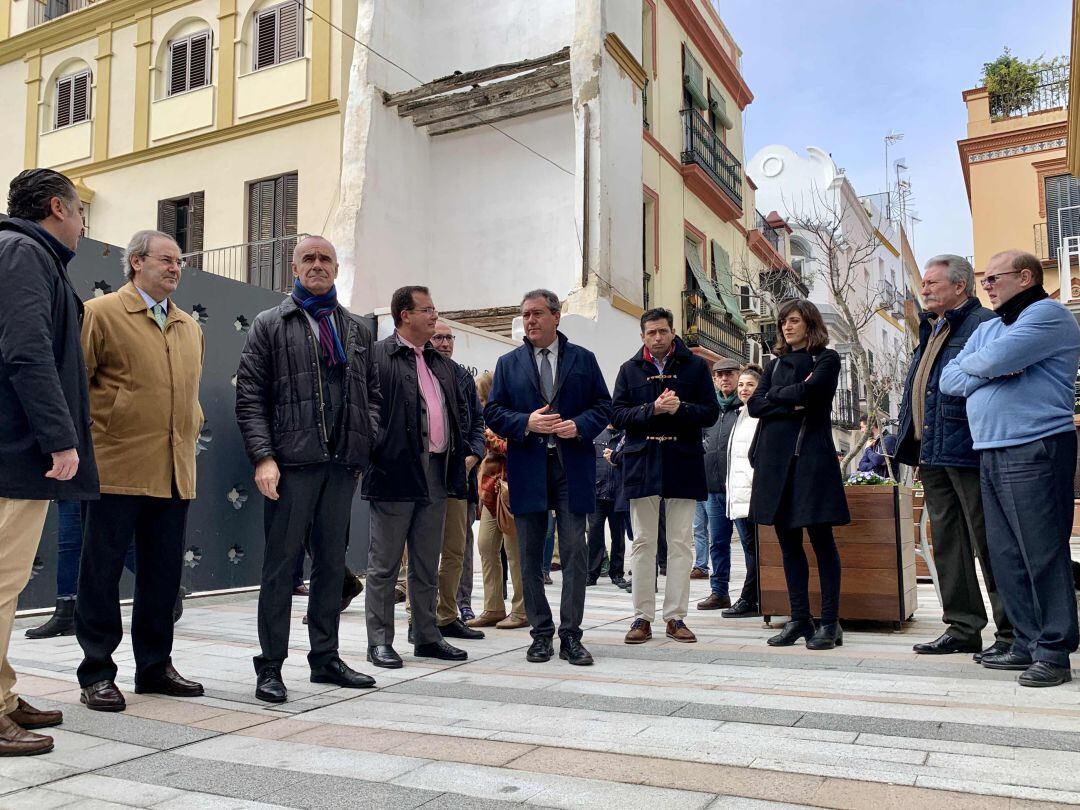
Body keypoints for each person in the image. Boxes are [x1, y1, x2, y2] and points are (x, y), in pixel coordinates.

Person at [236, 235, 379, 703]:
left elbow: (372, 396)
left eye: (325, 259)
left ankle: (326, 658)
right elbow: (251, 396)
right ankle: (271, 666)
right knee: (280, 568)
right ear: (294, 269)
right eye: (308, 259)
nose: (317, 265)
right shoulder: (270, 324)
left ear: (336, 269)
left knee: (332, 565)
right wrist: (263, 456)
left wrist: (362, 445)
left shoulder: (357, 329)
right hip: (291, 465)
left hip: (341, 468)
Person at [75, 230, 205, 711]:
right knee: (101, 573)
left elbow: (187, 396)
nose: (174, 268)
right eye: (165, 260)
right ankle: (96, 672)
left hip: (174, 470)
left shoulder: (190, 326)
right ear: (135, 262)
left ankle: (154, 666)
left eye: (179, 261)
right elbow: (78, 386)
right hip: (115, 467)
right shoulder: (102, 312)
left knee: (162, 576)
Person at [941, 250, 1080, 687]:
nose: (987, 286)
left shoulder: (1048, 315)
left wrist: (988, 366)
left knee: (1041, 551)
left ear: (1024, 276)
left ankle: (1054, 651)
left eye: (992, 278)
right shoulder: (989, 329)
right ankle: (1024, 641)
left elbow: (980, 365)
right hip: (991, 449)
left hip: (1034, 445)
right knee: (1005, 555)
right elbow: (950, 379)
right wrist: (995, 367)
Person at [0, 169, 96, 754]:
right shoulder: (21, 253)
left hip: (16, 450)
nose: (85, 223)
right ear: (57, 208)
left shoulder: (25, 254)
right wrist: (60, 438)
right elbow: (26, 350)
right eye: (81, 209)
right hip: (13, 451)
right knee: (0, 583)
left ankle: (4, 694)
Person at [894, 255, 1012, 659]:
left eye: (931, 283)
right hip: (933, 449)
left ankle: (1012, 631)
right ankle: (962, 627)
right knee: (947, 542)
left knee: (989, 540)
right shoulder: (933, 328)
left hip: (969, 447)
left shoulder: (983, 325)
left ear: (960, 286)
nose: (923, 289)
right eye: (923, 283)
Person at [484, 289, 610, 665]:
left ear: (556, 316)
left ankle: (571, 635)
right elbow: (493, 412)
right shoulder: (509, 363)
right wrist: (527, 422)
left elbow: (603, 406)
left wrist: (579, 426)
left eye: (537, 314)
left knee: (574, 551)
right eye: (525, 315)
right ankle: (540, 634)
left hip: (572, 467)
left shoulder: (583, 360)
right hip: (528, 469)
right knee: (530, 555)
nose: (530, 321)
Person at [363, 286, 469, 669]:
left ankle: (427, 635)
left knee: (427, 562)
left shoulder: (442, 365)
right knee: (385, 564)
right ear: (404, 315)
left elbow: (458, 414)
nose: (434, 316)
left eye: (434, 309)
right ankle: (379, 642)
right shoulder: (379, 356)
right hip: (394, 474)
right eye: (427, 310)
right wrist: (378, 451)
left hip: (437, 474)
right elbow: (364, 413)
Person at [612, 307, 718, 645]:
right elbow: (616, 414)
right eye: (650, 332)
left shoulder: (696, 367)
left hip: (682, 461)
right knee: (642, 542)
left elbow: (711, 412)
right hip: (642, 463)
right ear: (642, 335)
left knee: (681, 543)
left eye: (662, 331)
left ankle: (675, 617)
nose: (657, 338)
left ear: (673, 332)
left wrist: (681, 409)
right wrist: (651, 410)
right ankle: (641, 617)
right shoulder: (629, 370)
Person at [748, 299, 850, 651]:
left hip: (811, 461)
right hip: (775, 464)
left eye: (793, 321)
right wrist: (787, 400)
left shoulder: (827, 359)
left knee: (822, 542)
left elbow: (815, 394)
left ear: (809, 323)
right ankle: (799, 618)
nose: (786, 327)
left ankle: (831, 622)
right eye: (782, 322)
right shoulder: (774, 365)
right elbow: (755, 405)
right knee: (788, 545)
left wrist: (780, 399)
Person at [429, 321, 486, 640]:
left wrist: (474, 456)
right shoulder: (419, 370)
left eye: (449, 337)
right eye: (439, 336)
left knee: (458, 548)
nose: (445, 342)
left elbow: (478, 423)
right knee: (422, 549)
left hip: (459, 478)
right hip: (425, 477)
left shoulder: (463, 377)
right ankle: (421, 615)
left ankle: (454, 610)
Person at [469, 372, 529, 629]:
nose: (481, 406)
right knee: (485, 546)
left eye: (483, 399)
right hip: (490, 492)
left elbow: (512, 446)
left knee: (514, 552)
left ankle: (522, 609)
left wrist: (489, 437)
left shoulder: (511, 414)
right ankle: (493, 606)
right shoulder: (485, 422)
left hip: (512, 491)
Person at [696, 357, 743, 611]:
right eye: (720, 375)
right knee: (718, 543)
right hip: (713, 490)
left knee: (748, 544)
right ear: (714, 379)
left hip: (740, 490)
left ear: (738, 375)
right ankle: (719, 592)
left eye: (729, 374)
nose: (725, 378)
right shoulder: (709, 409)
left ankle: (752, 594)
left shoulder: (746, 408)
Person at [723, 365, 762, 618]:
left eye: (750, 385)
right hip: (737, 496)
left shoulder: (760, 415)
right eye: (741, 385)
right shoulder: (741, 415)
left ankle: (750, 598)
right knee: (750, 550)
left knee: (755, 550)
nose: (744, 389)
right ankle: (753, 597)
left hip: (752, 496)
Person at [586, 426, 627, 588]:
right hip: (596, 493)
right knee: (595, 534)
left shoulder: (626, 435)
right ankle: (591, 573)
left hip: (618, 494)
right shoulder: (595, 433)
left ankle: (617, 573)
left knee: (618, 536)